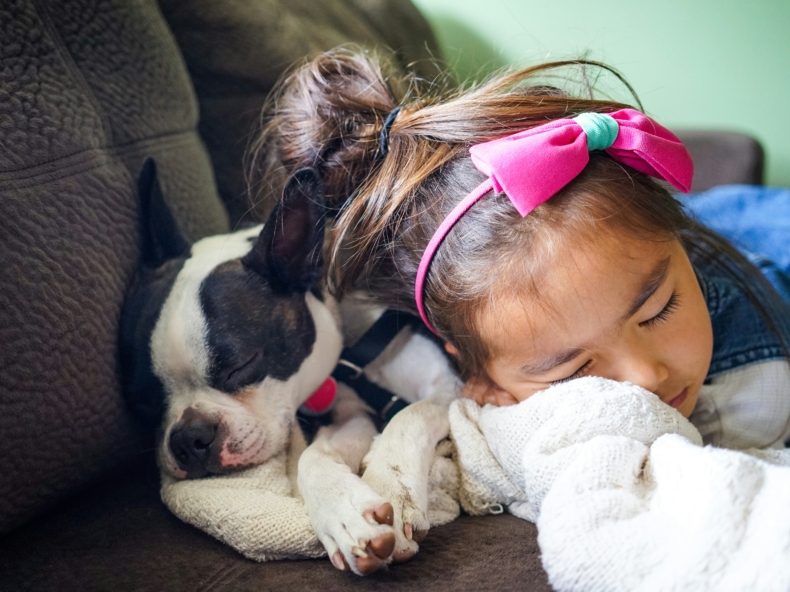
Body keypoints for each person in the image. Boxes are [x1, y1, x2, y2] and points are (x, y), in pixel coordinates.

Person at [251, 47, 790, 450]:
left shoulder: (757, 397)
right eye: (572, 369)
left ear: (676, 241)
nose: (647, 376)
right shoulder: (455, 329)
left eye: (659, 309)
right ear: (482, 380)